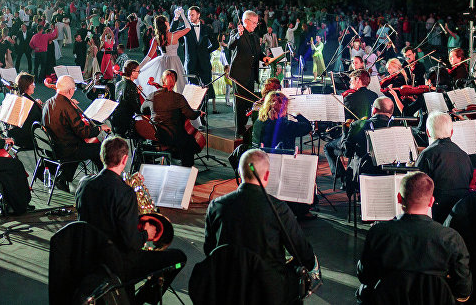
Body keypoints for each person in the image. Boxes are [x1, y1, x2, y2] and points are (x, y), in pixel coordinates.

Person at [75, 137, 186, 304]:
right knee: (178, 257)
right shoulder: (125, 192)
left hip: (88, 256)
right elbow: (131, 243)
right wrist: (146, 234)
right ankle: (142, 299)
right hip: (117, 263)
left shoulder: (84, 184)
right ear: (125, 159)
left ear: (102, 156)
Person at [204, 149, 318, 305]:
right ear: (266, 175)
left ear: (239, 171)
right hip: (267, 289)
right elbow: (302, 253)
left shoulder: (216, 206)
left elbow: (209, 250)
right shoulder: (278, 208)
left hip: (228, 285)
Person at [356, 172, 472, 303]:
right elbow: (463, 291)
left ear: (399, 198)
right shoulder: (451, 238)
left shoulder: (378, 232)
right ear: (431, 202)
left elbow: (365, 276)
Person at [42, 75, 110, 192]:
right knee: (100, 149)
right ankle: (104, 181)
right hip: (67, 149)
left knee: (82, 145)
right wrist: (100, 128)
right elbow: (84, 132)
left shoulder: (48, 103)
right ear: (70, 90)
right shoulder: (67, 107)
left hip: (53, 146)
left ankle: (63, 178)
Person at [415, 112, 473, 223]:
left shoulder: (427, 154)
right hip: (462, 216)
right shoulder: (464, 155)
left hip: (436, 216)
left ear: (428, 132)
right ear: (451, 132)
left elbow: (417, 187)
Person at [141, 70, 203, 167]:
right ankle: (187, 170)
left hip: (157, 136)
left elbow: (143, 110)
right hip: (174, 137)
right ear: (174, 83)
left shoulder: (152, 96)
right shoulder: (178, 98)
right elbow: (191, 115)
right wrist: (199, 112)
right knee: (189, 142)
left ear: (162, 81)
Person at [227, 10, 268, 138]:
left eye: (257, 22)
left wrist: (265, 58)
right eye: (254, 22)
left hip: (251, 74)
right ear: (246, 21)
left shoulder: (255, 36)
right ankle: (239, 130)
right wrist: (238, 35)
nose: (256, 25)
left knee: (250, 102)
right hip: (239, 75)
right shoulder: (236, 32)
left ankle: (246, 127)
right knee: (240, 102)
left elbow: (258, 53)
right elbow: (230, 45)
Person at [136, 9, 191, 98]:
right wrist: (182, 15)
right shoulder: (174, 35)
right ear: (165, 24)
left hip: (163, 62)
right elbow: (188, 28)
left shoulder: (156, 39)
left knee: (164, 84)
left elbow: (148, 56)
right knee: (178, 85)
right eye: (168, 22)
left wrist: (139, 67)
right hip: (175, 61)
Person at [172, 5, 215, 105]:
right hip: (191, 64)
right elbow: (172, 32)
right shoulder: (186, 28)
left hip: (204, 64)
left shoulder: (206, 29)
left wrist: (205, 52)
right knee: (192, 92)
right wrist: (176, 18)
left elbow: (215, 44)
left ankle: (203, 114)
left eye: (192, 15)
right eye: (188, 15)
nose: (190, 17)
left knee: (205, 92)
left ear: (198, 15)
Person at [6, 72, 43, 150]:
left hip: (15, 134)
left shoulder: (19, 99)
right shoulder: (31, 104)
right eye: (32, 84)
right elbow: (39, 119)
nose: (34, 86)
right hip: (28, 139)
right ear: (26, 86)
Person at [110, 60, 142, 138]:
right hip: (126, 123)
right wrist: (137, 94)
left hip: (116, 120)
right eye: (138, 71)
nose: (139, 73)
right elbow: (137, 108)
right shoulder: (131, 86)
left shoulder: (118, 84)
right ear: (132, 72)